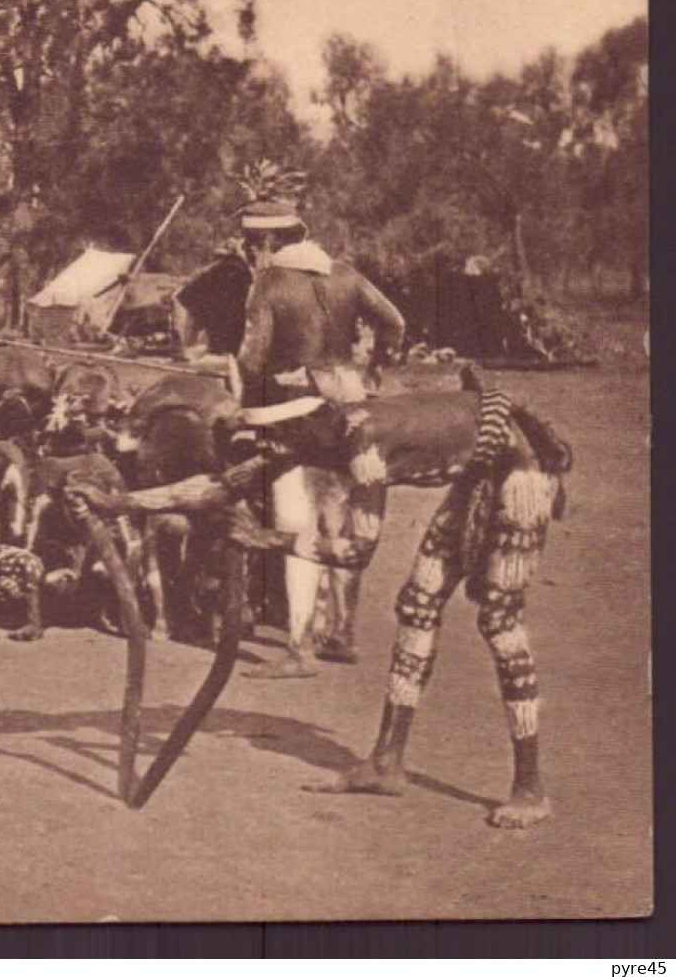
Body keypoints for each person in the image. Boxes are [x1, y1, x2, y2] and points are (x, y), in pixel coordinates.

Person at [224, 373, 571, 828]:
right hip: (483, 466)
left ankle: (530, 786)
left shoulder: (361, 447)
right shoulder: (342, 423)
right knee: (417, 605)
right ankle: (386, 761)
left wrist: (268, 539)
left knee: (500, 621)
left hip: (523, 473)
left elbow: (356, 553)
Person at [232, 160, 406, 678]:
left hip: (293, 413)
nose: (250, 254)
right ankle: (343, 634)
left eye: (250, 246)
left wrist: (248, 371)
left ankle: (299, 648)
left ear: (263, 244)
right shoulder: (347, 274)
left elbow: (251, 357)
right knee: (342, 517)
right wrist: (369, 369)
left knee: (295, 524)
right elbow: (394, 323)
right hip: (352, 406)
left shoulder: (268, 283)